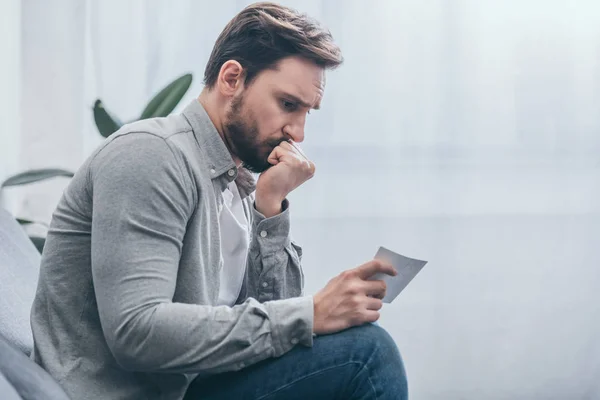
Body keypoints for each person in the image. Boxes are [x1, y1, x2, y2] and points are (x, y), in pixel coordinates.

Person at [30, 2, 408, 399]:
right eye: (288, 104)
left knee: (360, 345)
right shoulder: (151, 155)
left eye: (307, 112)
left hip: (194, 386)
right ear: (232, 79)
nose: (297, 133)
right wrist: (310, 314)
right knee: (367, 354)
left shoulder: (236, 180)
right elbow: (136, 333)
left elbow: (265, 340)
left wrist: (270, 206)